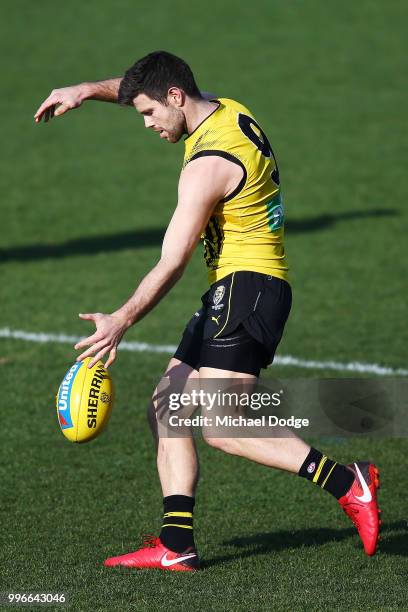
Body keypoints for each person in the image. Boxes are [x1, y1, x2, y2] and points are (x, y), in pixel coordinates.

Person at [35, 51, 381, 571]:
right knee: (167, 403)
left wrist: (121, 320)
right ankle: (177, 544)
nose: (147, 124)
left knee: (222, 424)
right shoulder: (222, 108)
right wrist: (86, 88)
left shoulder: (208, 166)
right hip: (238, 285)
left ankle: (347, 482)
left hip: (249, 288)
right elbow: (143, 85)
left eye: (150, 113)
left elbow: (172, 261)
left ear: (175, 98)